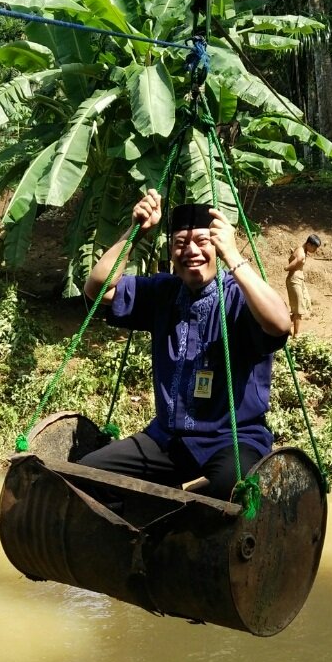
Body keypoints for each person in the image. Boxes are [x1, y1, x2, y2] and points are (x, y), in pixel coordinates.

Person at [81, 189, 291, 501]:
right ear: (172, 254)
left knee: (229, 493)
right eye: (181, 243)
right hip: (168, 439)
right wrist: (135, 232)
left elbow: (280, 323)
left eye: (202, 242)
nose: (191, 250)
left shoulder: (238, 296)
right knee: (87, 475)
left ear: (217, 249)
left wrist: (233, 256)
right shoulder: (163, 292)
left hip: (232, 439)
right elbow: (97, 289)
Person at [284, 234, 321, 338]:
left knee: (302, 305)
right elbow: (299, 259)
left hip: (299, 281)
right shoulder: (301, 252)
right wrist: (287, 267)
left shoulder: (302, 250)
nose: (315, 250)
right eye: (314, 247)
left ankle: (284, 323)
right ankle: (296, 335)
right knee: (298, 310)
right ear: (309, 244)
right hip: (294, 281)